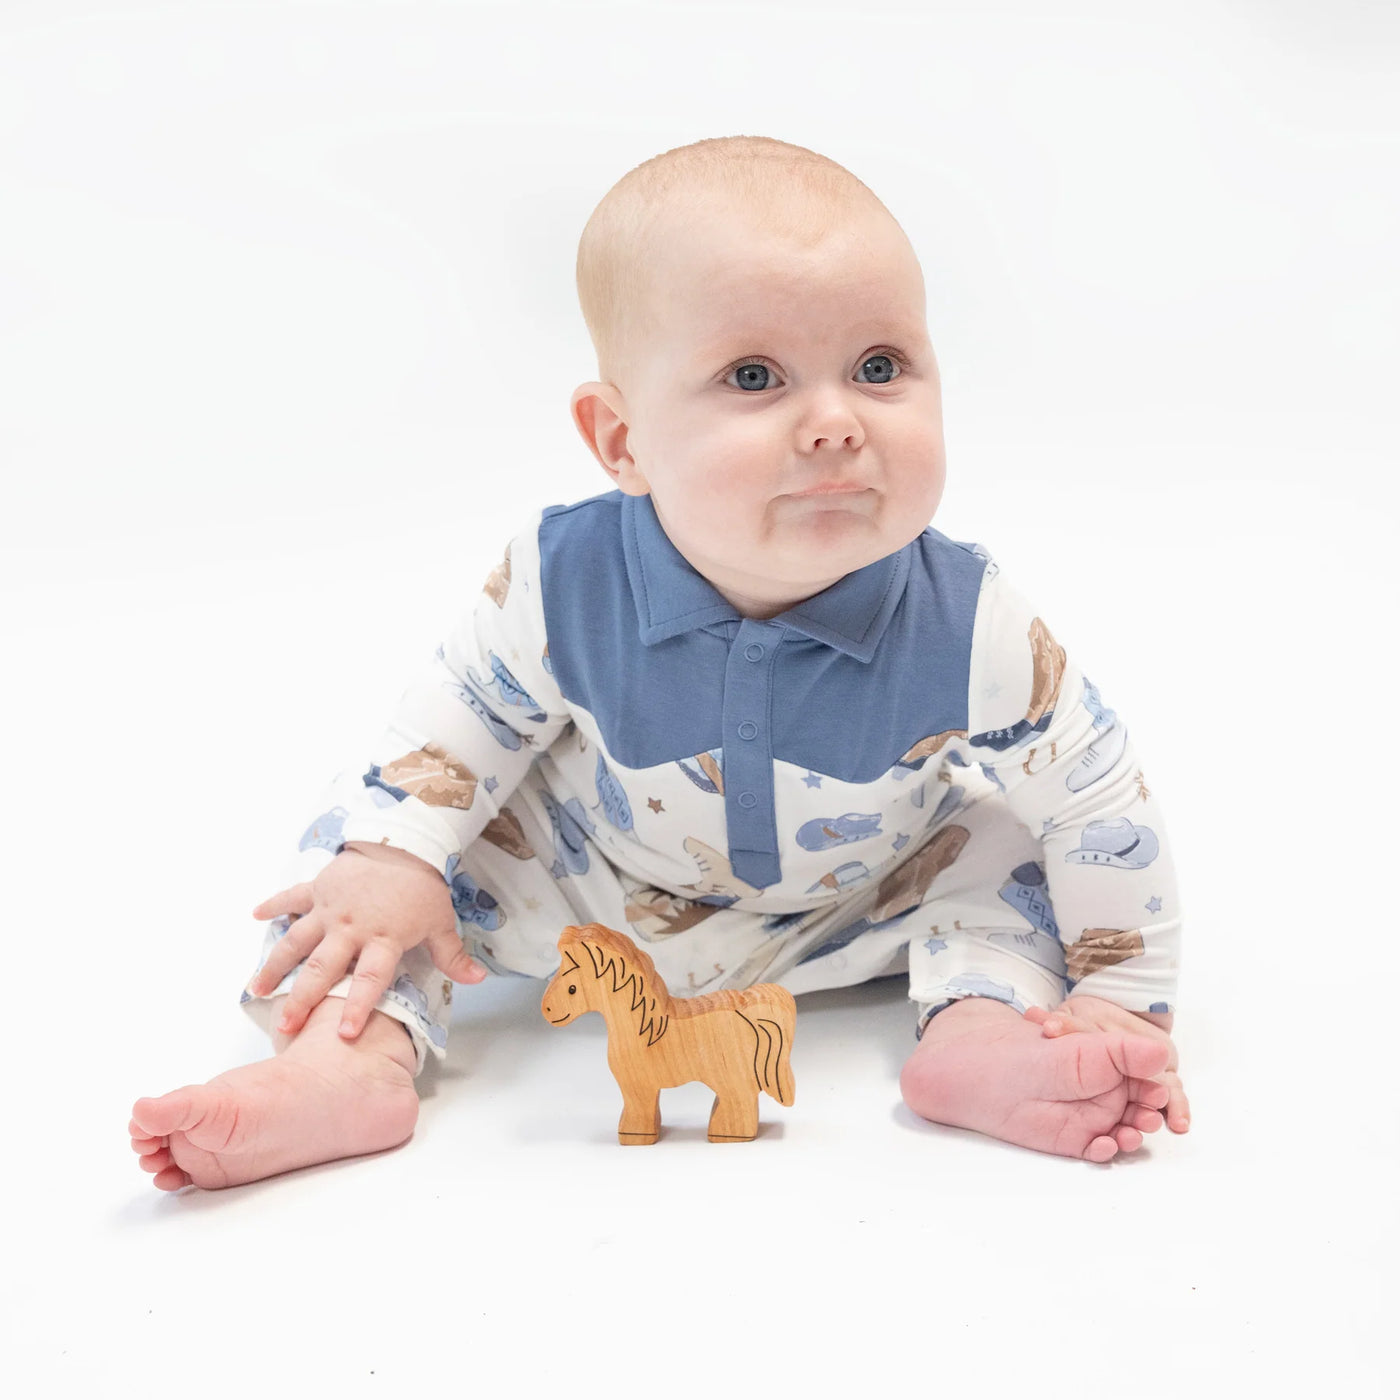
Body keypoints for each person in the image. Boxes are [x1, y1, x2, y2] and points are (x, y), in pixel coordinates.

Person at [129, 134, 1189, 1190]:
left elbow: (1094, 798)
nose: (834, 423)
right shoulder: (563, 580)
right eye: (753, 376)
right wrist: (396, 859)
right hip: (602, 884)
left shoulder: (970, 622)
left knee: (1001, 845)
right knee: (373, 859)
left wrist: (1118, 992)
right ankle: (346, 1059)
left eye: (878, 367)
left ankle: (981, 1032)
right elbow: (452, 725)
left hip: (864, 896)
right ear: (620, 440)